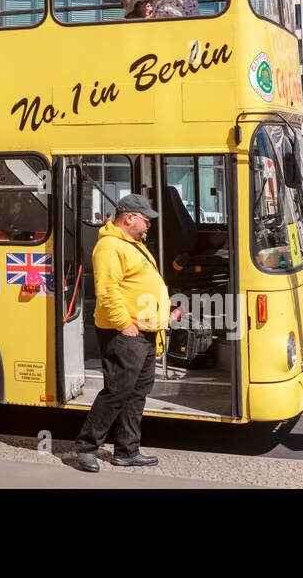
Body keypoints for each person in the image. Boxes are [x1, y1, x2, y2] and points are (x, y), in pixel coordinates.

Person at [73, 192, 170, 473]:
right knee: (117, 392)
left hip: (146, 331)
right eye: (145, 219)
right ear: (129, 218)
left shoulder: (132, 244)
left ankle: (127, 451)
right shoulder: (109, 247)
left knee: (137, 393)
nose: (149, 224)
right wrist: (124, 324)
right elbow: (107, 291)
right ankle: (87, 446)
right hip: (125, 333)